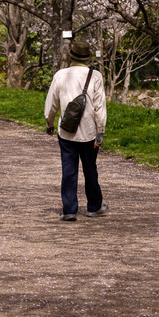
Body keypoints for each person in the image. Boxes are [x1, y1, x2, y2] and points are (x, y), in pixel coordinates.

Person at [45, 38, 108, 221]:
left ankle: (70, 210)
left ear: (71, 55)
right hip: (88, 132)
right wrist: (100, 130)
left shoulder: (60, 75)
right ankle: (94, 206)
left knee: (69, 170)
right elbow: (99, 107)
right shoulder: (95, 76)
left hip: (66, 131)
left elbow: (52, 104)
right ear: (88, 58)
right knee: (90, 169)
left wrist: (49, 123)